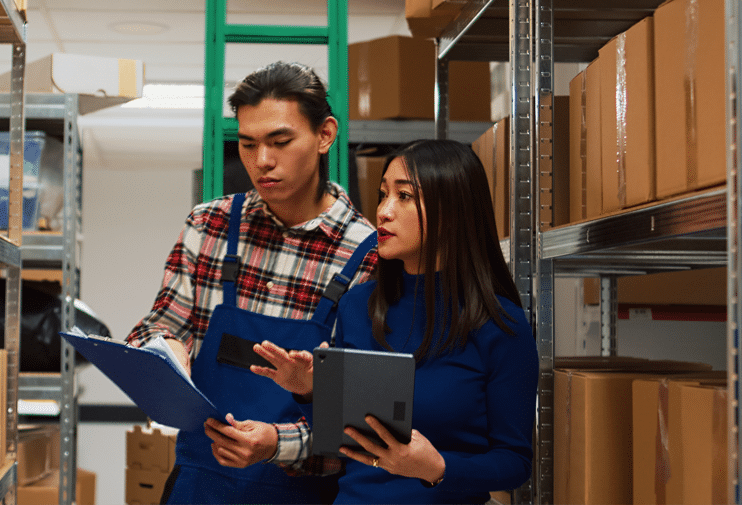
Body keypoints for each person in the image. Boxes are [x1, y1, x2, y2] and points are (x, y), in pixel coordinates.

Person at [209, 139, 539, 504]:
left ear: (452, 210)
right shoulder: (357, 306)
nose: (383, 211)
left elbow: (514, 462)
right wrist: (308, 390)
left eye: (404, 197)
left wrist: (437, 468)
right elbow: (340, 441)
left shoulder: (499, 324)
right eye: (383, 195)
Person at [126, 61, 379, 505]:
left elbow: (365, 412)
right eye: (248, 144)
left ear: (324, 135)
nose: (262, 161)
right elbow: (160, 325)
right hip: (198, 483)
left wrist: (276, 444)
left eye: (280, 142)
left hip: (300, 492)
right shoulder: (211, 225)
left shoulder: (369, 255)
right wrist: (162, 350)